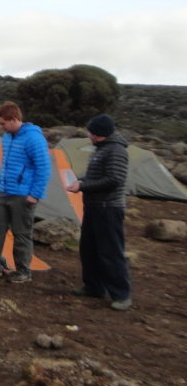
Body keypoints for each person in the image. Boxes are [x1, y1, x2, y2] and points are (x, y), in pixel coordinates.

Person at [0, 101, 50, 283]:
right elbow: (6, 164)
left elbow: (44, 168)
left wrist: (35, 194)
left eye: (3, 123)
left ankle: (23, 271)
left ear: (14, 119)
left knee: (21, 234)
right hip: (3, 191)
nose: (1, 127)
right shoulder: (7, 137)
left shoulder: (34, 138)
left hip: (23, 194)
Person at [66, 114, 132, 310]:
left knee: (110, 252)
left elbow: (114, 180)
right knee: (89, 249)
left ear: (98, 133)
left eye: (91, 132)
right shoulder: (101, 149)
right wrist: (80, 180)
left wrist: (83, 186)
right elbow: (96, 174)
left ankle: (121, 295)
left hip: (109, 208)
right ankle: (94, 286)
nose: (88, 135)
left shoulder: (116, 150)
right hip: (94, 207)